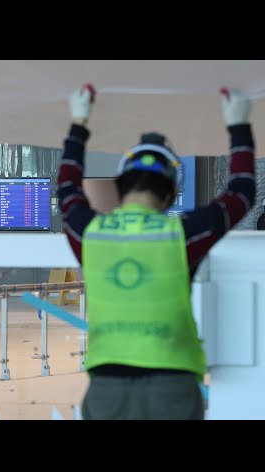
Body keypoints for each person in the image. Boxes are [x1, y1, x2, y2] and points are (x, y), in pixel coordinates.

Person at [57, 85, 256, 420]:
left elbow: (66, 189)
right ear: (171, 193)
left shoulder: (90, 233)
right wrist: (238, 124)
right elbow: (242, 191)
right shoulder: (182, 235)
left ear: (120, 187)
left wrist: (79, 121)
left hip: (108, 390)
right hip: (172, 388)